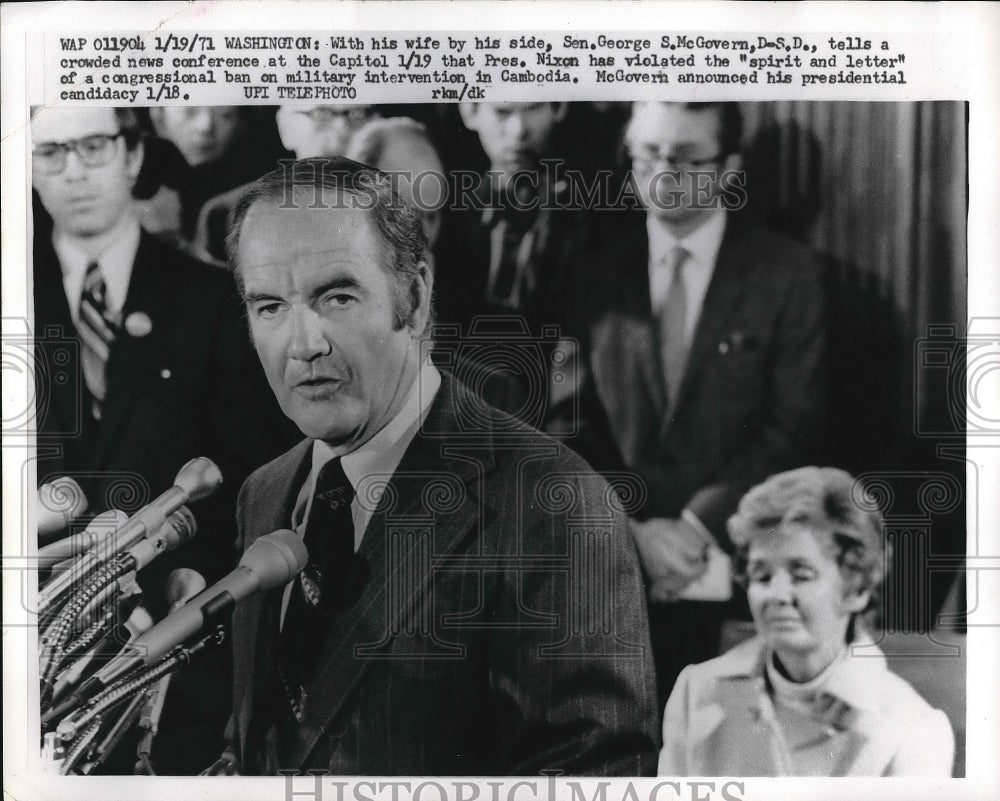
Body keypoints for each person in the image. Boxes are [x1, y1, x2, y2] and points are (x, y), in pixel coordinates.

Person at [211, 157, 658, 776]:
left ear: (415, 298)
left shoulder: (554, 502)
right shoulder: (264, 494)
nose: (303, 343)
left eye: (336, 296)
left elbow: (593, 774)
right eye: (269, 307)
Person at [30, 105, 296, 773]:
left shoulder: (210, 299)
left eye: (93, 146)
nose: (74, 172)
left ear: (133, 155)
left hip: (165, 649)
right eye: (51, 153)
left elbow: (251, 478)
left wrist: (187, 580)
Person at [551, 102, 828, 707]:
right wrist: (635, 531)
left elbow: (795, 426)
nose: (664, 171)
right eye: (648, 153)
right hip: (614, 575)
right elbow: (569, 425)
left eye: (686, 156)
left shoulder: (787, 274)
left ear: (728, 168)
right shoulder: (593, 270)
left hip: (744, 581)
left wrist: (696, 525)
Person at [659, 467, 955, 776]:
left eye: (801, 575)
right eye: (762, 575)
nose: (777, 594)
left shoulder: (913, 729)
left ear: (857, 590)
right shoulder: (696, 692)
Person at [194, 105, 380, 263]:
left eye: (359, 114)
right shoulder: (228, 214)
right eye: (321, 114)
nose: (342, 129)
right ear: (286, 128)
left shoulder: (398, 203)